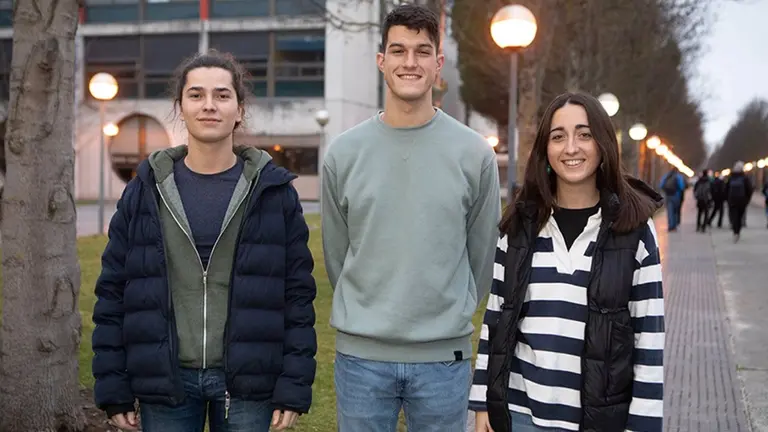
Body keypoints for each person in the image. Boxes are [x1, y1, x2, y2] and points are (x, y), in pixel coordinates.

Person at [91, 50, 318, 432]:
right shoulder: (146, 190)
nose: (208, 105)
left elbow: (297, 295)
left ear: (239, 109)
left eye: (222, 95)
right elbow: (113, 291)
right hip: (166, 381)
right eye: (196, 95)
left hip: (249, 382)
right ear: (180, 107)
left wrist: (293, 384)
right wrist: (114, 384)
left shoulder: (273, 192)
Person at [321, 4, 501, 431]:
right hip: (361, 359)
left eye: (422, 51)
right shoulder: (344, 154)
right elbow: (336, 254)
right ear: (381, 60)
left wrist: (444, 317)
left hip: (445, 360)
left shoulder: (474, 154)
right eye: (398, 50)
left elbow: (481, 256)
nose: (410, 62)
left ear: (438, 63)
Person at [469, 92, 665, 432]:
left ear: (603, 144)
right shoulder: (518, 226)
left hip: (599, 422)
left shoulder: (634, 230)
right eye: (558, 136)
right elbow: (495, 320)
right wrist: (482, 401)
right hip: (521, 417)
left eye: (584, 134)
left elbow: (648, 340)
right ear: (545, 149)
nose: (571, 147)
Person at [725, 160, 754, 242]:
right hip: (742, 201)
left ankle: (735, 232)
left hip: (732, 200)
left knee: (734, 217)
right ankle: (738, 231)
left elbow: (726, 189)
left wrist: (728, 199)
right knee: (740, 217)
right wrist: (747, 200)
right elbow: (749, 189)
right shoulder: (745, 178)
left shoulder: (731, 178)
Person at [659, 166, 685, 231]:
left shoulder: (666, 176)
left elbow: (661, 185)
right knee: (675, 211)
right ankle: (674, 226)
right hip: (676, 196)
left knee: (670, 212)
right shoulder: (678, 176)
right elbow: (682, 187)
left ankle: (670, 226)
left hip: (668, 196)